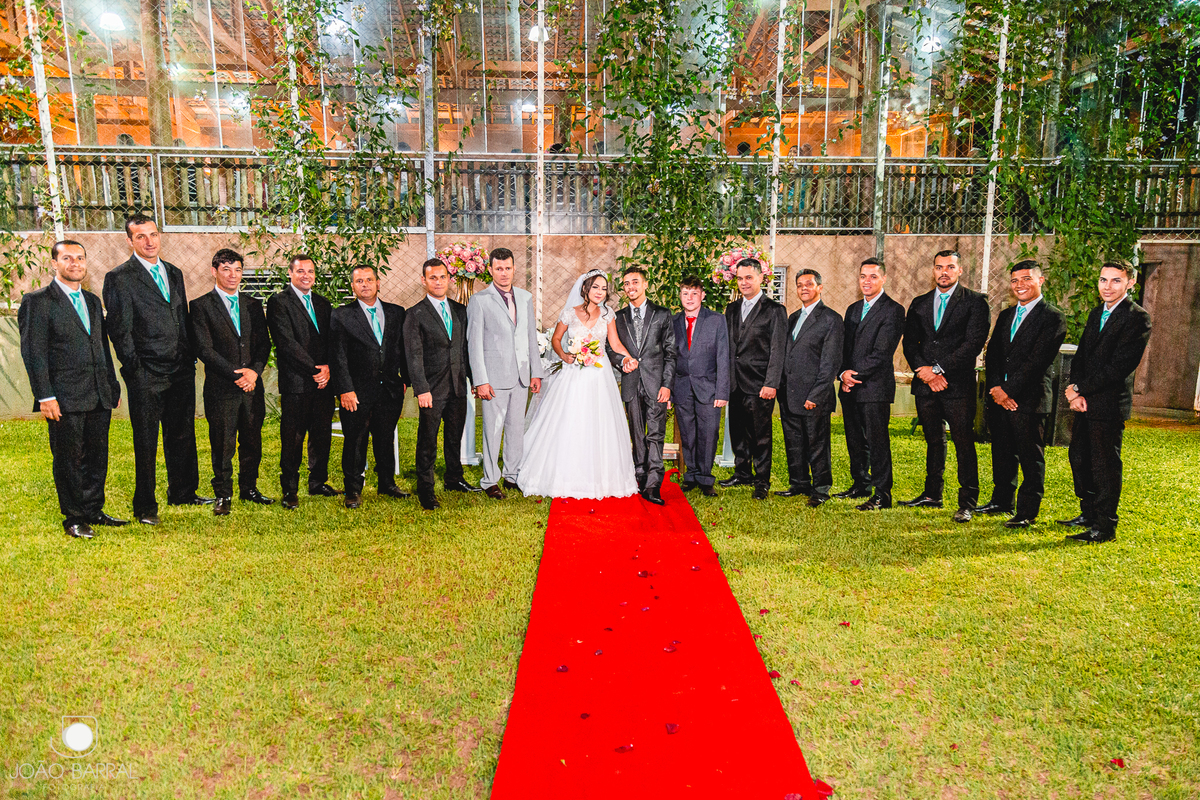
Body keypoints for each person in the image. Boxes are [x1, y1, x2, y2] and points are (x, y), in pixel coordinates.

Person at [103, 213, 210, 525]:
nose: (149, 241)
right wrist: (136, 369)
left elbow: (181, 317)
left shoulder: (174, 272)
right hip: (147, 373)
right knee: (146, 441)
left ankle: (183, 492)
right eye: (140, 236)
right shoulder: (119, 278)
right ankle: (145, 506)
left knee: (182, 434)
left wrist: (189, 358)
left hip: (180, 369)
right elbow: (119, 330)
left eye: (153, 234)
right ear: (130, 241)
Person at [19, 241, 125, 539]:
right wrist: (45, 396)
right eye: (67, 258)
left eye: (80, 257)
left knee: (97, 456)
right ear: (55, 263)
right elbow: (34, 353)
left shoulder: (91, 301)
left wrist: (111, 384)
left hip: (98, 392)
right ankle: (74, 517)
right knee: (69, 458)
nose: (75, 263)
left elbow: (100, 345)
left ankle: (93, 509)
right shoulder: (37, 301)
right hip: (64, 396)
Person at [517, 270, 639, 499]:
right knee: (570, 419)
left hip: (600, 375)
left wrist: (629, 358)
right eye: (596, 287)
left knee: (600, 422)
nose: (600, 292)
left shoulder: (608, 315)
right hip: (573, 373)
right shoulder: (569, 313)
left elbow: (615, 343)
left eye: (604, 288)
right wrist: (564, 355)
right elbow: (556, 339)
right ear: (585, 288)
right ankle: (564, 475)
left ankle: (601, 477)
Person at [1062, 262, 1152, 544]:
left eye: (1116, 280)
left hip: (1108, 404)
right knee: (1079, 458)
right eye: (1103, 280)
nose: (1108, 286)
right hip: (1084, 402)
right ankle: (1088, 514)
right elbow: (1081, 357)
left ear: (1130, 283)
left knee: (1104, 466)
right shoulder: (1096, 313)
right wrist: (1076, 392)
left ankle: (1104, 526)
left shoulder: (1137, 318)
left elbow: (1119, 367)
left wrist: (1080, 388)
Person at [900, 250, 990, 522]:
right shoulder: (920, 303)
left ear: (960, 270)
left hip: (957, 385)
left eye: (950, 267)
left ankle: (967, 502)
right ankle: (932, 495)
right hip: (926, 385)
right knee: (933, 441)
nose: (944, 272)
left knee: (963, 442)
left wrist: (938, 370)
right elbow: (909, 343)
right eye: (939, 267)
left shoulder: (975, 302)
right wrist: (925, 372)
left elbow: (973, 343)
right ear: (933, 270)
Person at [979, 261, 1067, 528]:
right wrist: (996, 388)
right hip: (1000, 398)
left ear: (1041, 281)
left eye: (1027, 279)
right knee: (1002, 452)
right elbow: (993, 354)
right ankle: (1001, 501)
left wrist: (1008, 391)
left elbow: (1037, 361)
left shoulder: (1053, 317)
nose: (1020, 285)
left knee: (1030, 456)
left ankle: (1027, 511)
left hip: (1028, 399)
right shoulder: (1006, 315)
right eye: (1015, 280)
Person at [189, 249, 272, 515]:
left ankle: (249, 488)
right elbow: (204, 349)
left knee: (252, 440)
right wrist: (238, 375)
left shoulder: (252, 305)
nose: (232, 275)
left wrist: (254, 373)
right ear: (214, 271)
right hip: (222, 388)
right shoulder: (200, 306)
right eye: (226, 269)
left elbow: (263, 344)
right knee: (223, 443)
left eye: (237, 270)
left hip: (252, 387)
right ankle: (223, 494)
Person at [466, 247, 544, 500]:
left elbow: (530, 337)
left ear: (514, 269)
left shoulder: (525, 297)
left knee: (515, 428)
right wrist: (481, 380)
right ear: (490, 270)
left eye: (508, 268)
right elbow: (474, 344)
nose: (504, 273)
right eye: (499, 268)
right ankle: (490, 480)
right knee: (492, 430)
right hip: (494, 378)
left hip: (521, 375)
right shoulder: (480, 300)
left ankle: (512, 475)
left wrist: (535, 372)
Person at [329, 265, 409, 509]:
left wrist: (405, 381)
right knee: (355, 440)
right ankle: (353, 489)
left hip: (390, 390)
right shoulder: (342, 315)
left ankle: (387, 483)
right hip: (356, 392)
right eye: (359, 281)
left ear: (378, 283)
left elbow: (404, 349)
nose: (365, 284)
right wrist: (345, 389)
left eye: (369, 280)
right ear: (353, 286)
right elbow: (338, 356)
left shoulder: (396, 312)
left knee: (385, 438)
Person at [404, 259, 479, 510]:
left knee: (454, 436)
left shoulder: (460, 310)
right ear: (423, 280)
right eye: (433, 278)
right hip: (432, 389)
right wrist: (421, 389)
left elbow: (464, 349)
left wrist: (474, 380)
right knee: (428, 439)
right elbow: (413, 355)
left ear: (449, 279)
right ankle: (425, 487)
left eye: (442, 277)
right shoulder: (415, 314)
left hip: (457, 385)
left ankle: (454, 478)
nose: (438, 282)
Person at [266, 254, 338, 509]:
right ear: (290, 273)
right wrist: (314, 369)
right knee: (293, 437)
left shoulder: (323, 303)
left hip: (324, 382)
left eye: (310, 271)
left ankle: (318, 482)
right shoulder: (279, 302)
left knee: (321, 434)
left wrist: (328, 368)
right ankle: (290, 489)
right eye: (300, 271)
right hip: (297, 381)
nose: (306, 276)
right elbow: (286, 343)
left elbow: (332, 340)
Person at [836, 258, 905, 511]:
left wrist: (853, 375)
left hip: (874, 387)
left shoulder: (893, 310)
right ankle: (860, 484)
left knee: (877, 442)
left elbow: (882, 353)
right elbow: (845, 347)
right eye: (863, 276)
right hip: (849, 387)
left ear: (883, 279)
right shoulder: (853, 309)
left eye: (873, 276)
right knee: (855, 440)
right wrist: (842, 374)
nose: (867, 281)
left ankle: (882, 494)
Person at [608, 266, 678, 505]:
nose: (631, 287)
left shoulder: (662, 314)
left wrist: (667, 385)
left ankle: (654, 483)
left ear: (645, 284)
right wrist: (621, 361)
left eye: (635, 282)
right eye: (626, 283)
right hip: (630, 383)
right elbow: (610, 348)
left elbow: (670, 352)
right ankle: (639, 474)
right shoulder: (618, 317)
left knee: (655, 434)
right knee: (636, 432)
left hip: (656, 384)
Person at [720, 259, 787, 500]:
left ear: (761, 278)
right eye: (740, 278)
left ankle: (762, 480)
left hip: (760, 384)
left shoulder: (774, 310)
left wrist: (771, 383)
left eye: (749, 277)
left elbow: (778, 350)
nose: (744, 283)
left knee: (760, 435)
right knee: (738, 431)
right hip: (735, 382)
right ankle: (742, 473)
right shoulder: (731, 309)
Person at [776, 269, 843, 506]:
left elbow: (830, 363)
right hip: (789, 394)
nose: (803, 288)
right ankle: (799, 483)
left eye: (809, 284)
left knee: (817, 444)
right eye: (799, 285)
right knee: (794, 443)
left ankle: (821, 489)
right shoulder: (793, 318)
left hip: (814, 396)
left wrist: (816, 394)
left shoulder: (831, 319)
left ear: (820, 287)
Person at [672, 276, 729, 497]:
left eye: (694, 293)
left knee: (708, 433)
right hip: (682, 387)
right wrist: (669, 390)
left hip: (709, 389)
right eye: (685, 293)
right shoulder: (673, 322)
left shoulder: (716, 320)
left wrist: (722, 391)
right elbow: (669, 358)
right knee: (687, 433)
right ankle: (691, 475)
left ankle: (705, 478)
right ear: (680, 296)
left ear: (702, 295)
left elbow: (723, 357)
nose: (690, 298)